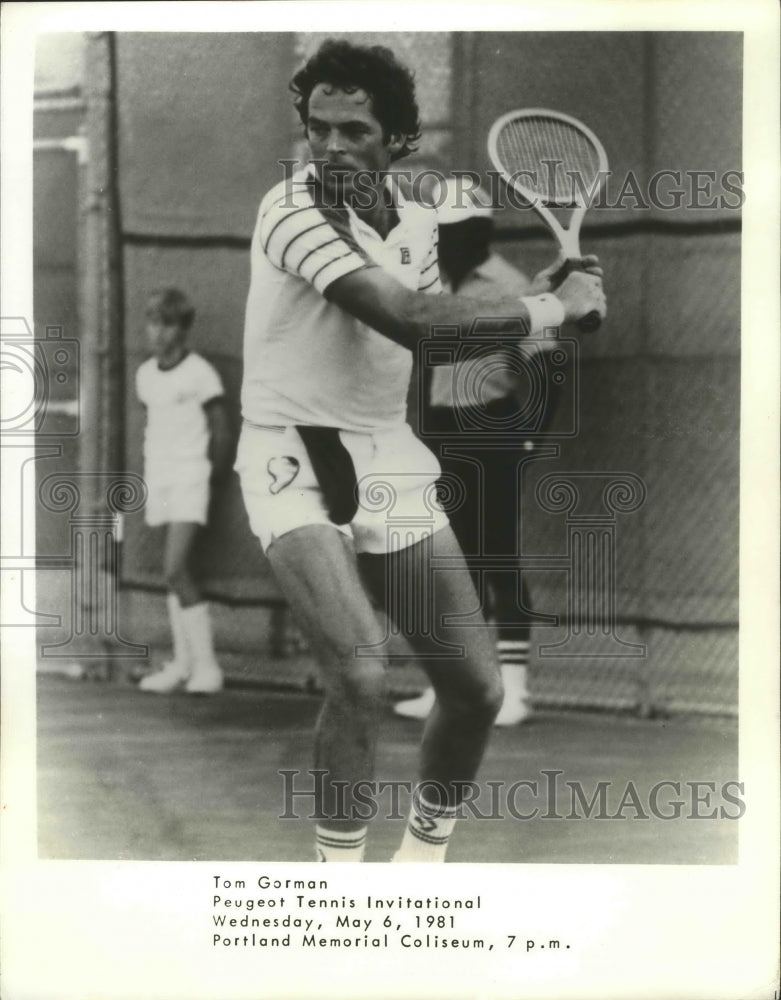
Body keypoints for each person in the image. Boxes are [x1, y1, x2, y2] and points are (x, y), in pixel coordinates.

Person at [237, 39, 605, 862]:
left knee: (476, 690)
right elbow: (404, 317)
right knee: (361, 672)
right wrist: (548, 311)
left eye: (354, 131)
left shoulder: (420, 218)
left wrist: (547, 292)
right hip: (288, 455)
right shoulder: (291, 210)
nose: (331, 147)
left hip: (385, 454)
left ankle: (420, 867)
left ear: (395, 141)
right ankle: (341, 895)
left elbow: (443, 329)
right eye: (318, 128)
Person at [395, 187, 563, 726]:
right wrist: (422, 432)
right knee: (454, 563)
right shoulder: (440, 288)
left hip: (494, 429)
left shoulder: (513, 289)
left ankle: (514, 692)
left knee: (497, 556)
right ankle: (457, 690)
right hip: (445, 434)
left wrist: (530, 439)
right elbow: (428, 368)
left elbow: (547, 371)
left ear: (477, 233)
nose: (439, 243)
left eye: (449, 232)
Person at [136, 287, 232, 694]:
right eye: (154, 322)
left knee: (175, 569)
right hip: (160, 479)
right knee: (172, 575)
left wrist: (210, 475)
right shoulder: (144, 375)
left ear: (184, 329)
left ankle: (208, 668)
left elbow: (222, 432)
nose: (159, 332)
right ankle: (183, 664)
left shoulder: (201, 373)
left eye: (169, 323)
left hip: (192, 477)